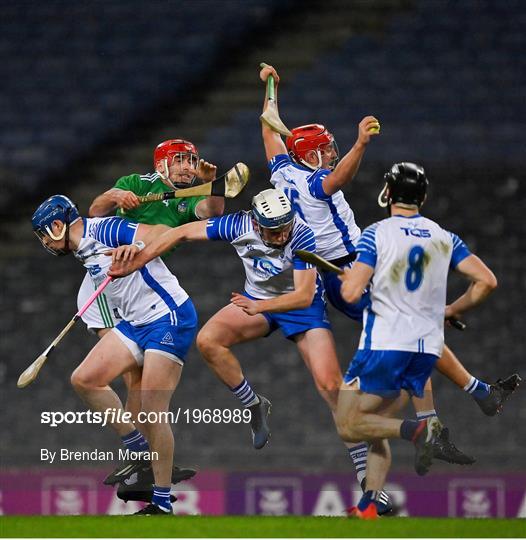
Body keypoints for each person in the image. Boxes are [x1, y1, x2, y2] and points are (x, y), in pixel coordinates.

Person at [258, 65, 483, 498]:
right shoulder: (315, 180)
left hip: (314, 271)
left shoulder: (281, 169)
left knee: (349, 371)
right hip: (346, 268)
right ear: (310, 156)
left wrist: (269, 87)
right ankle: (437, 416)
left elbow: (269, 130)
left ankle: (381, 471)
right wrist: (361, 142)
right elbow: (341, 176)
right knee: (411, 326)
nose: (330, 152)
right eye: (324, 149)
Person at [335, 163, 520, 519]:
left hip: (383, 347)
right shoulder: (444, 237)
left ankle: (420, 430)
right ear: (423, 197)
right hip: (425, 353)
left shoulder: (376, 234)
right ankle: (369, 506)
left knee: (349, 424)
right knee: (375, 426)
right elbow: (487, 281)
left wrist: (350, 279)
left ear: (388, 193)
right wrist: (452, 308)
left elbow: (351, 292)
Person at [32, 194, 199, 515]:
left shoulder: (104, 229)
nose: (44, 242)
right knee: (85, 380)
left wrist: (135, 248)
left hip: (168, 315)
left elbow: (163, 230)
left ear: (57, 225)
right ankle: (138, 448)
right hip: (135, 322)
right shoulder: (83, 250)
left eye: (43, 233)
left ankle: (162, 503)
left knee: (152, 407)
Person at [79, 139, 224, 497]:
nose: (189, 166)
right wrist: (116, 196)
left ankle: (143, 458)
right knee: (132, 380)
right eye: (181, 160)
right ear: (161, 164)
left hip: (137, 289)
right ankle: (140, 455)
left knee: (143, 386)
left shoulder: (188, 200)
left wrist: (215, 183)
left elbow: (213, 210)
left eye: (192, 160)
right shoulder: (137, 183)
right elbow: (94, 212)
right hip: (104, 287)